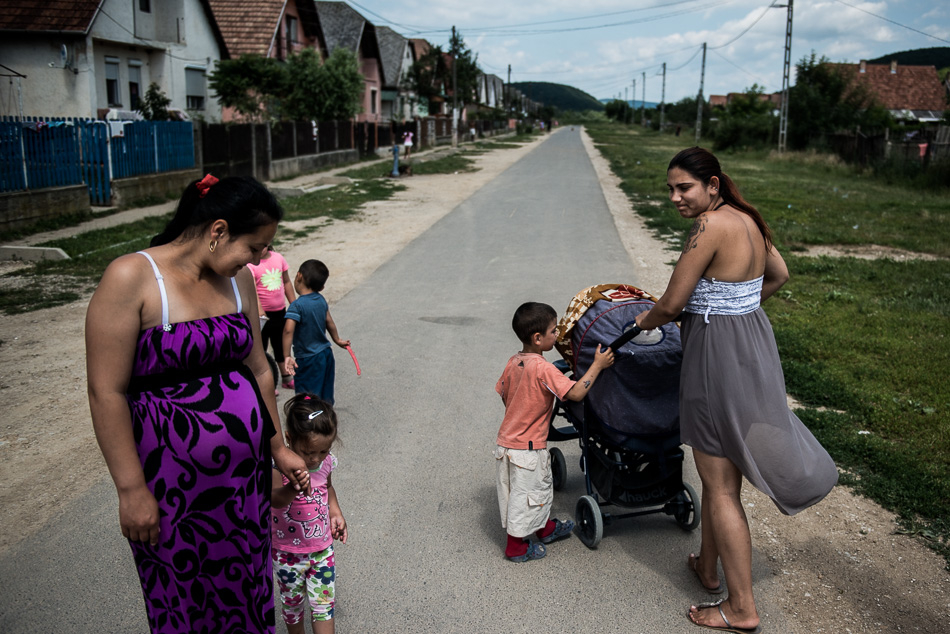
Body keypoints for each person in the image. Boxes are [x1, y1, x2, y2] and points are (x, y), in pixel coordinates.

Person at [86, 174, 312, 633]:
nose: (260, 259)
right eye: (255, 247)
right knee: (182, 595)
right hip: (171, 489)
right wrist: (131, 491)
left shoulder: (239, 282)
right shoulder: (132, 277)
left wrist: (277, 446)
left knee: (247, 588)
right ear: (218, 231)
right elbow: (105, 391)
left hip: (241, 483)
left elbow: (260, 370)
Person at [634, 147, 837, 633]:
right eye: (671, 189)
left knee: (720, 481)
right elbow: (780, 274)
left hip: (716, 357)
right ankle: (708, 568)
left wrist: (646, 320)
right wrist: (739, 304)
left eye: (684, 187)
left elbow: (673, 301)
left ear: (712, 185)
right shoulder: (747, 219)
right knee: (720, 467)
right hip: (752, 345)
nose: (675, 197)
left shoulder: (708, 228)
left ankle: (740, 608)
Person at [494, 302, 615, 562]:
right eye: (553, 331)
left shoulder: (514, 362)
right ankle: (516, 548)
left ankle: (545, 528)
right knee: (528, 495)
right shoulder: (544, 369)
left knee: (526, 493)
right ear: (538, 339)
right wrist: (597, 365)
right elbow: (575, 392)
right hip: (528, 448)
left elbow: (504, 393)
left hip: (507, 443)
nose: (558, 334)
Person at [272, 393, 347, 634]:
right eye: (307, 452)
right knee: (292, 607)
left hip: (322, 550)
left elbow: (328, 487)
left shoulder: (325, 463)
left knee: (323, 606)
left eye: (323, 451)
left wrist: (335, 512)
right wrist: (292, 488)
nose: (315, 459)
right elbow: (273, 499)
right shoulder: (278, 466)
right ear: (289, 439)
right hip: (287, 553)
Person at [282, 259, 350, 403]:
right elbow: (329, 321)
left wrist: (287, 355)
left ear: (299, 276)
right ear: (322, 287)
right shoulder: (320, 300)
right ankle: (325, 417)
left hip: (308, 358)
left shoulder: (297, 306)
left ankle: (309, 419)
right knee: (325, 389)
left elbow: (288, 331)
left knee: (306, 393)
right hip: (325, 354)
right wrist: (337, 339)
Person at [248, 243, 297, 390]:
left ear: (268, 243)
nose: (258, 250)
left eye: (261, 245)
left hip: (279, 312)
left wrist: (294, 304)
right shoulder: (251, 265)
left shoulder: (278, 258)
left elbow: (286, 282)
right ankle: (268, 383)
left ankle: (286, 377)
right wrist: (259, 309)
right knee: (261, 349)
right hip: (261, 316)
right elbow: (252, 290)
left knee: (280, 346)